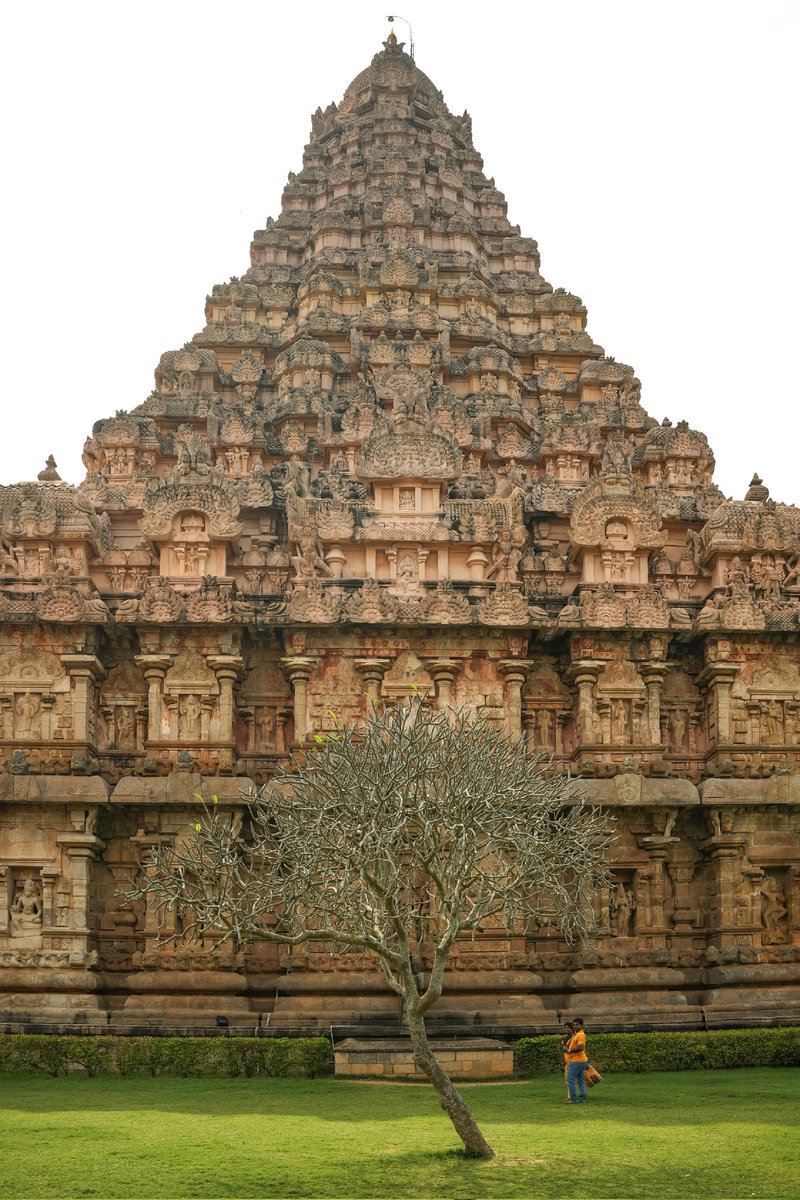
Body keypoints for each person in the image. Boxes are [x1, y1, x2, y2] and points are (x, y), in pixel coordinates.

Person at [565, 1018, 588, 1104]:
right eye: (574, 1025)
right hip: (581, 1060)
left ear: (581, 1025)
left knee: (570, 1080)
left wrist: (569, 1050)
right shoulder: (577, 1034)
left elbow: (581, 1047)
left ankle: (573, 1099)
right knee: (581, 1080)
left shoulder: (581, 1035)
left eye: (577, 1025)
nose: (575, 1026)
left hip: (576, 1061)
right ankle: (582, 1099)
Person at [560, 1022, 574, 1101]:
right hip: (570, 1059)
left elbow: (565, 1048)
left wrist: (562, 1043)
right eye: (565, 1028)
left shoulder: (571, 1037)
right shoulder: (569, 1036)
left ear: (571, 1028)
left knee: (569, 1079)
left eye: (568, 1028)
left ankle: (570, 1096)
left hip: (571, 1060)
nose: (566, 1029)